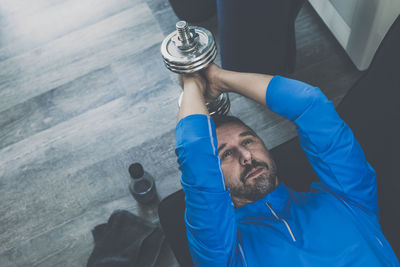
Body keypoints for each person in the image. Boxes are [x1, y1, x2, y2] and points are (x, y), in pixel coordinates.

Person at [175, 64, 400, 266]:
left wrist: (218, 77)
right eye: (225, 155)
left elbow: (309, 104)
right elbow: (196, 155)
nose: (246, 156)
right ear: (214, 175)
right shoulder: (225, 254)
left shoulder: (348, 197)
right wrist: (191, 80)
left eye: (248, 141)